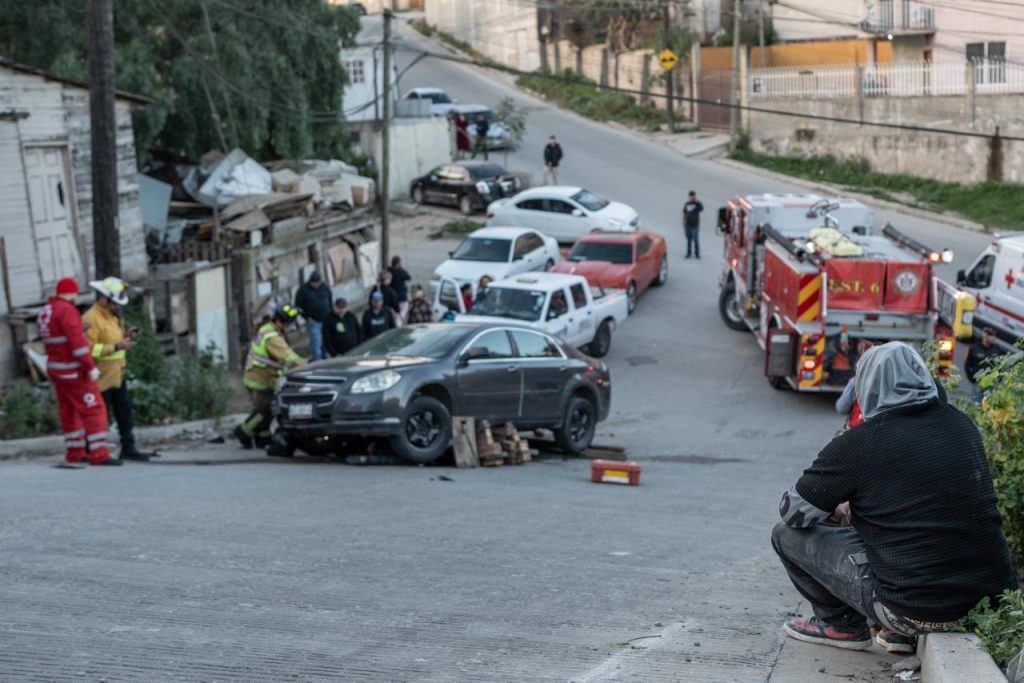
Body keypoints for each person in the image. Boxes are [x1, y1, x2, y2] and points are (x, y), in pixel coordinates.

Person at [772, 342, 1017, 655]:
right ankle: (896, 635)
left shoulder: (860, 443)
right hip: (989, 601)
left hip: (913, 609)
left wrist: (840, 507)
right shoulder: (961, 425)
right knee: (898, 524)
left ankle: (842, 625)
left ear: (866, 385)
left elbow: (793, 513)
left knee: (785, 535)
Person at [38, 277, 120, 466]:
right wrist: (89, 367)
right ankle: (99, 453)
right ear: (71, 292)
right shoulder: (67, 310)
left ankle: (75, 451)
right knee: (94, 409)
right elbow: (78, 344)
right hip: (72, 370)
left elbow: (57, 338)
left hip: (56, 369)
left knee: (68, 410)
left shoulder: (45, 311)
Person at [82, 276, 157, 461]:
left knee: (125, 412)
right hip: (100, 377)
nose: (117, 306)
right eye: (115, 302)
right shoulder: (91, 318)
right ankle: (91, 450)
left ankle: (128, 448)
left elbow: (114, 338)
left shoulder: (114, 316)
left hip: (117, 374)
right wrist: (116, 347)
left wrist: (127, 335)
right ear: (104, 299)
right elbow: (88, 349)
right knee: (99, 416)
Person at [234, 305, 306, 449]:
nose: (289, 327)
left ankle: (264, 439)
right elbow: (289, 357)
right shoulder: (273, 338)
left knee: (268, 410)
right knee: (266, 410)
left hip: (259, 376)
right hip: (260, 379)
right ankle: (243, 432)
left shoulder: (267, 328)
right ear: (279, 322)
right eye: (287, 324)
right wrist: (308, 365)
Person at [294, 271, 331, 361]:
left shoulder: (325, 287)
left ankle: (324, 357)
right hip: (313, 321)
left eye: (317, 282)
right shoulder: (303, 290)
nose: (315, 284)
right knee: (316, 343)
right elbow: (298, 306)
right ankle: (318, 362)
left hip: (326, 319)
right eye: (313, 282)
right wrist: (305, 317)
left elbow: (330, 299)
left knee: (327, 340)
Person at [964, 326, 1002, 401]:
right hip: (978, 384)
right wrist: (973, 380)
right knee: (975, 405)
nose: (994, 338)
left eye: (995, 336)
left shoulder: (997, 349)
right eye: (991, 335)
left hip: (991, 384)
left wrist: (998, 379)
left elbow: (1001, 365)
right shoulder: (973, 348)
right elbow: (967, 365)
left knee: (989, 406)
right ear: (984, 335)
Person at [388, 256, 412, 321]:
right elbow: (408, 277)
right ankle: (398, 322)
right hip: (401, 295)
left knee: (394, 311)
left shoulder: (388, 270)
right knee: (404, 309)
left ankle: (396, 321)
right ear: (398, 263)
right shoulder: (400, 270)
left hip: (392, 295)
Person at [682, 191, 703, 259]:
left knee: (696, 240)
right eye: (691, 197)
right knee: (689, 240)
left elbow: (701, 208)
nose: (692, 198)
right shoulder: (687, 204)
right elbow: (684, 213)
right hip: (688, 225)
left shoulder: (697, 204)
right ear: (689, 197)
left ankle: (697, 254)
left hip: (695, 225)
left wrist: (697, 202)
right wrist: (684, 222)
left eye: (693, 196)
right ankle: (688, 253)